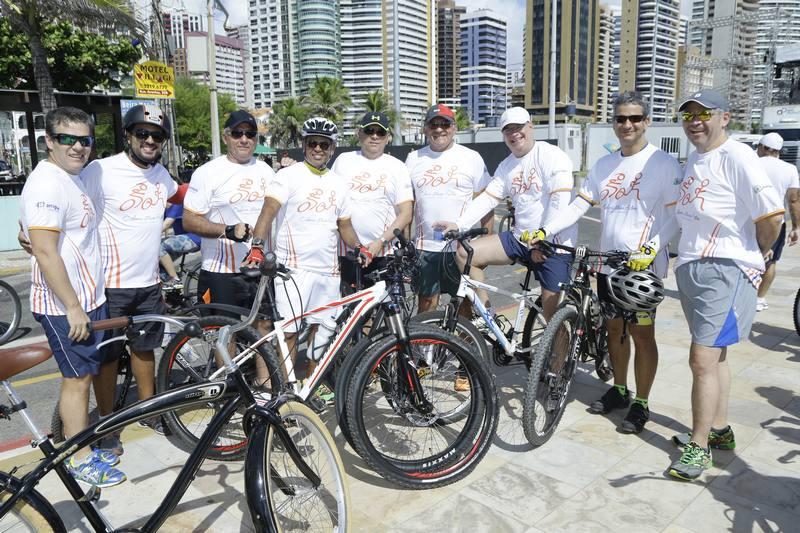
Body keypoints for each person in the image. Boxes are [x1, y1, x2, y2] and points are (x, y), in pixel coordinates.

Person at [529, 91, 683, 434]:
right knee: (614, 330)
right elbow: (578, 206)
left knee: (642, 335)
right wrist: (545, 230)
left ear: (646, 121)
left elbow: (676, 217)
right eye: (620, 118)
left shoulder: (663, 163)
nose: (627, 124)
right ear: (613, 123)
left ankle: (641, 402)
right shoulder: (604, 165)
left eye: (634, 118)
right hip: (608, 265)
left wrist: (653, 248)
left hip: (642, 269)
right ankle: (620, 388)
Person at [668, 90, 784, 480]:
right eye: (688, 116)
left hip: (725, 269)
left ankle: (698, 446)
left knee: (701, 359)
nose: (695, 122)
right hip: (692, 266)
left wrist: (756, 254)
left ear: (725, 118)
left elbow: (772, 215)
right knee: (716, 357)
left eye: (704, 114)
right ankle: (718, 429)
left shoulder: (738, 156)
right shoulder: (694, 159)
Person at [20, 106, 125, 487]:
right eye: (67, 139)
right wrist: (73, 307)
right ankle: (79, 457)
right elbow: (45, 252)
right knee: (77, 379)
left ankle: (81, 444)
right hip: (64, 305)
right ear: (49, 141)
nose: (78, 147)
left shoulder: (75, 177)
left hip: (89, 298)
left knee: (86, 374)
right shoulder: (47, 183)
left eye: (85, 140)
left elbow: (33, 231)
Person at [244, 117, 371, 383]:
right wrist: (257, 246)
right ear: (304, 145)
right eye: (312, 143)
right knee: (289, 333)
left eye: (324, 145)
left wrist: (359, 246)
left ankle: (312, 384)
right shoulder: (287, 176)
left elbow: (344, 225)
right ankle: (288, 388)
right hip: (293, 270)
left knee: (321, 332)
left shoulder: (338, 183)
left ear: (332, 148)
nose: (318, 149)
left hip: (328, 270)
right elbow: (268, 212)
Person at [81, 104, 179, 441]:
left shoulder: (160, 174)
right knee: (107, 358)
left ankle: (149, 411)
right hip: (110, 285)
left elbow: (184, 196)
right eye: (143, 133)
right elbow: (68, 198)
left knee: (145, 349)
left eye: (157, 136)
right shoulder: (101, 170)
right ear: (128, 135)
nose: (150, 141)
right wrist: (28, 229)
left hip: (149, 283)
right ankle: (107, 424)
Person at [437, 106, 577, 322]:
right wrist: (459, 224)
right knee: (465, 254)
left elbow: (559, 201)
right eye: (508, 129)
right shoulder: (507, 165)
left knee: (554, 321)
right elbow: (488, 198)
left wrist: (542, 240)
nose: (514, 133)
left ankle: (559, 344)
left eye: (519, 127)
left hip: (553, 244)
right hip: (520, 239)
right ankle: (488, 318)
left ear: (530, 127)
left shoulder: (551, 155)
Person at [183, 110, 275, 327]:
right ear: (226, 137)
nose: (244, 139)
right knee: (226, 331)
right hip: (221, 270)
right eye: (237, 133)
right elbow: (189, 220)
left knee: (264, 327)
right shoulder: (207, 172)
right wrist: (227, 230)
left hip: (259, 268)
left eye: (250, 134)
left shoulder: (267, 171)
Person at [406, 103, 491, 313]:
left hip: (460, 248)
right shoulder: (413, 159)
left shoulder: (471, 157)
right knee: (426, 304)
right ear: (425, 129)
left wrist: (485, 243)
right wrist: (408, 244)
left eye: (445, 124)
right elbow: (408, 205)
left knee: (463, 304)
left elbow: (486, 202)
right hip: (425, 247)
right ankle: (425, 338)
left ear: (454, 128)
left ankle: (462, 335)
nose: (439, 129)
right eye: (433, 124)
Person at [331, 111, 413, 293]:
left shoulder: (397, 166)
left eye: (380, 132)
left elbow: (406, 213)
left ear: (388, 137)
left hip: (384, 253)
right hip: (348, 254)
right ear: (359, 134)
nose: (375, 136)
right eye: (369, 131)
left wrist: (379, 242)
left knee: (387, 308)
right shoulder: (343, 161)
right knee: (352, 309)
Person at [754, 132, 800, 311]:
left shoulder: (751, 163)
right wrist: (796, 227)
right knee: (770, 262)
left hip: (748, 221)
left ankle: (739, 297)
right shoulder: (789, 169)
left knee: (742, 259)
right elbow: (793, 200)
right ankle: (759, 299)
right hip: (774, 223)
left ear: (762, 147)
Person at [159, 182, 201, 287]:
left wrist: (150, 236)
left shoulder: (177, 201)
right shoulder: (164, 205)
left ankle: (175, 279)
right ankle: (171, 289)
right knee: (155, 261)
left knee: (158, 247)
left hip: (194, 238)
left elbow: (167, 223)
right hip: (182, 237)